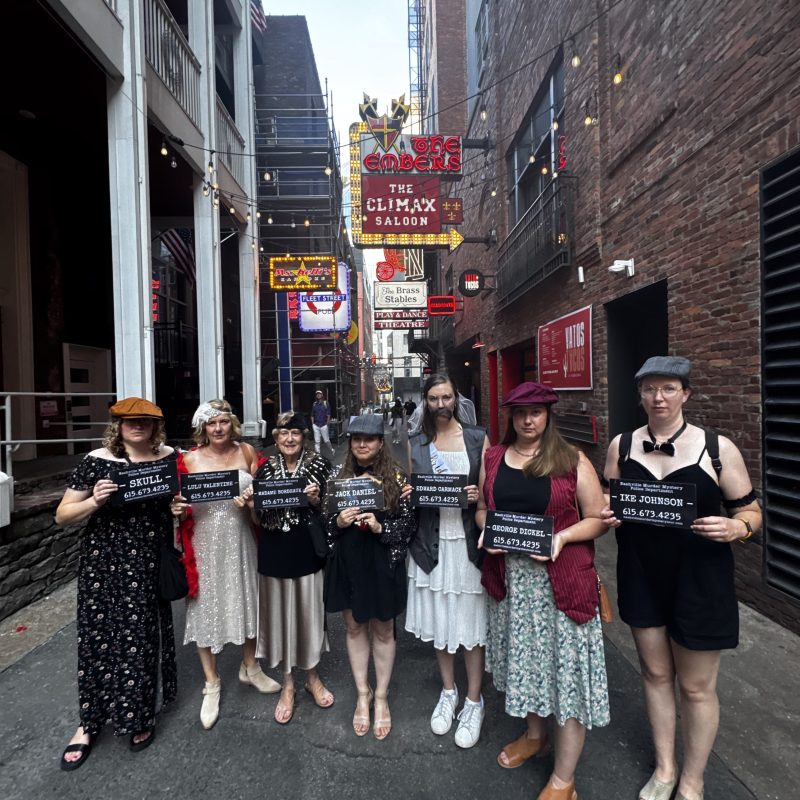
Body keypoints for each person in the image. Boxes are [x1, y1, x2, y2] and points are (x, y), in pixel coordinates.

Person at [602, 357, 762, 800]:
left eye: (669, 388)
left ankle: (694, 779)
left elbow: (751, 512)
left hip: (701, 580)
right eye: (650, 389)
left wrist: (737, 528)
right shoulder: (622, 446)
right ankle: (666, 768)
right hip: (641, 573)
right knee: (654, 675)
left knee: (695, 686)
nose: (659, 397)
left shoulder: (717, 448)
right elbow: (607, 499)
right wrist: (607, 514)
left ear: (686, 394)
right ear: (640, 396)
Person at [477, 382, 610, 800]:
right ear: (510, 417)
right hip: (512, 584)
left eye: (535, 412)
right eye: (520, 413)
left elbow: (597, 520)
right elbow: (483, 509)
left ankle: (563, 779)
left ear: (548, 414)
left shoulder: (572, 460)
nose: (528, 420)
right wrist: (487, 532)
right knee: (526, 663)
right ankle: (535, 736)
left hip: (561, 584)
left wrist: (563, 537)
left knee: (566, 675)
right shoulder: (494, 458)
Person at [56, 397, 178, 770]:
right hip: (104, 563)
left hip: (147, 560)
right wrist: (94, 500)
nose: (137, 426)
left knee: (141, 638)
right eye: (129, 421)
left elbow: (180, 499)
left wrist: (178, 508)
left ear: (155, 426)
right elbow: (62, 515)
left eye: (145, 421)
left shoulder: (169, 459)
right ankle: (89, 722)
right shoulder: (96, 461)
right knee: (98, 637)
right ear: (118, 425)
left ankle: (139, 714)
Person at [171, 400, 280, 731]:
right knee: (205, 609)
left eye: (223, 422)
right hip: (204, 543)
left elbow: (266, 499)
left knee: (247, 601)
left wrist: (252, 502)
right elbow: (178, 505)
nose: (218, 428)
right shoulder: (187, 460)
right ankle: (212, 682)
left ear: (231, 423)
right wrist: (176, 512)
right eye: (211, 423)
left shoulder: (246, 452)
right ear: (202, 428)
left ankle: (251, 667)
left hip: (240, 539)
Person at [405, 373, 490, 749]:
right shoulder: (416, 442)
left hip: (468, 543)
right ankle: (448, 690)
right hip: (432, 543)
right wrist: (411, 493)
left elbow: (490, 495)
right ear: (425, 401)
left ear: (456, 399)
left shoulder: (477, 438)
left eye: (447, 397)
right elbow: (411, 491)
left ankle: (474, 700)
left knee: (471, 625)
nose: (441, 404)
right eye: (434, 398)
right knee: (441, 623)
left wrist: (477, 496)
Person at [324, 414, 416, 740]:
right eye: (356, 439)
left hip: (382, 562)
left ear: (380, 443)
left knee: (383, 628)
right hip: (349, 562)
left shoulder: (397, 478)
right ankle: (363, 693)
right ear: (350, 442)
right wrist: (339, 522)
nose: (362, 444)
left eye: (370, 439)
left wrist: (380, 527)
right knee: (353, 626)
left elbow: (408, 529)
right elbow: (325, 526)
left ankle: (382, 696)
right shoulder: (337, 478)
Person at [239, 411, 335, 724]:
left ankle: (312, 677)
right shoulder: (264, 469)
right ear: (276, 438)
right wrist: (252, 506)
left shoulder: (319, 465)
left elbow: (333, 511)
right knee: (279, 618)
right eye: (283, 433)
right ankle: (288, 683)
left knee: (309, 614)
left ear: (304, 436)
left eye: (295, 433)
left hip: (307, 548)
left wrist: (318, 499)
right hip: (274, 550)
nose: (290, 439)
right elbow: (257, 518)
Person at [311, 389, 334, 457]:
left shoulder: (325, 403)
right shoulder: (314, 404)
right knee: (317, 441)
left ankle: (332, 450)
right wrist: (312, 424)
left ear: (322, 395)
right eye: (317, 394)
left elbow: (328, 414)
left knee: (326, 440)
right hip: (316, 425)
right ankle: (318, 455)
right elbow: (312, 414)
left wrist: (327, 423)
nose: (318, 395)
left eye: (319, 394)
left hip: (324, 425)